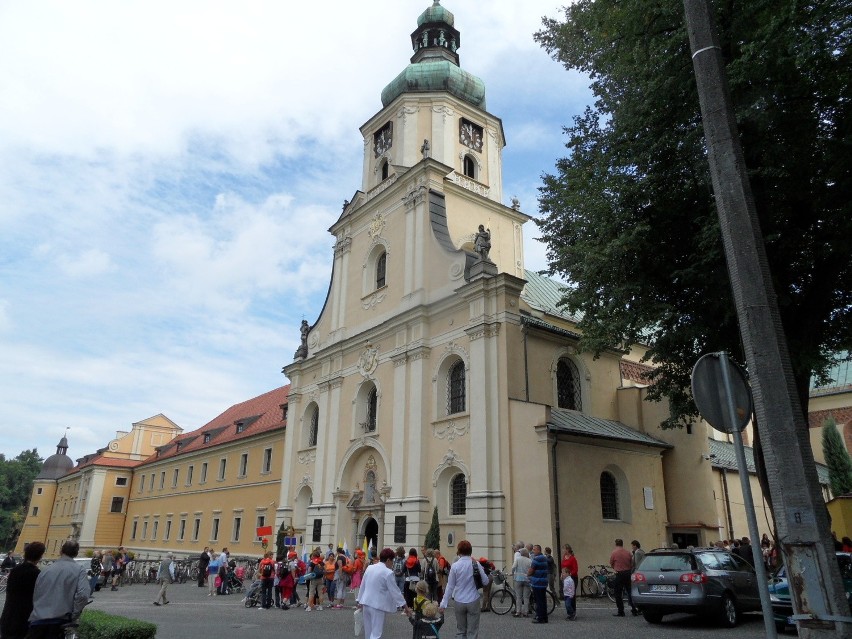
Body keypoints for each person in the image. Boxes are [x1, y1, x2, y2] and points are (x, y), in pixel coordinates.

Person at [27, 540, 89, 639]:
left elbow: (36, 594)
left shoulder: (46, 569)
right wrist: (74, 614)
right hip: (59, 622)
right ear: (76, 553)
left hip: (37, 621)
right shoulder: (79, 570)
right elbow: (83, 595)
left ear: (61, 551)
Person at [356, 547, 411, 639]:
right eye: (392, 561)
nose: (393, 563)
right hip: (378, 606)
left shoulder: (370, 568)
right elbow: (396, 592)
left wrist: (359, 600)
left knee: (368, 633)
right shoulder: (388, 572)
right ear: (388, 560)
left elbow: (363, 585)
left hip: (366, 603)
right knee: (376, 634)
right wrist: (405, 607)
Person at [439, 539, 489, 639]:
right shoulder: (476, 564)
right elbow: (486, 581)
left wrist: (443, 603)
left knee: (461, 631)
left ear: (459, 551)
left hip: (459, 600)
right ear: (470, 551)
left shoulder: (455, 566)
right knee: (472, 631)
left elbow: (450, 586)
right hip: (473, 600)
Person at [0, 541, 45, 639]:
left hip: (8, 615)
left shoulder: (15, 570)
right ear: (39, 557)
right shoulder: (36, 574)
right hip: (24, 619)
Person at [609, 538, 636, 617]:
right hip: (628, 573)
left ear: (616, 544)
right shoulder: (627, 552)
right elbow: (632, 563)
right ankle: (634, 609)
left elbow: (611, 562)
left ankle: (621, 611)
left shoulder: (614, 552)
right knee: (630, 591)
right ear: (622, 544)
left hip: (619, 574)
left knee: (618, 593)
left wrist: (615, 568)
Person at [528, 544, 549, 624]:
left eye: (534, 549)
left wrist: (528, 574)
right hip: (543, 581)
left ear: (538, 550)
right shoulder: (544, 558)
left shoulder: (536, 559)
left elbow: (531, 570)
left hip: (537, 582)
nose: (533, 551)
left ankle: (539, 617)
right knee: (543, 601)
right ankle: (544, 617)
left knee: (538, 601)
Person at [511, 547, 531, 618]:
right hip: (527, 579)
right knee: (526, 597)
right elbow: (531, 569)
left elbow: (513, 567)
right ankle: (526, 612)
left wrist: (512, 573)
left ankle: (518, 612)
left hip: (518, 579)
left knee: (518, 597)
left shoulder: (518, 559)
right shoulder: (529, 560)